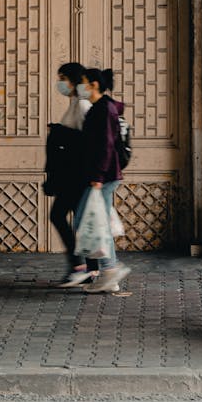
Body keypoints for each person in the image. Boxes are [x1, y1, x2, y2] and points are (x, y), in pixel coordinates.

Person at [73, 66, 131, 294]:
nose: (82, 87)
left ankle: (111, 269)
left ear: (94, 85)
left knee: (86, 222)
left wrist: (97, 176)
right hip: (102, 175)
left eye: (84, 82)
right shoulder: (100, 108)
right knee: (95, 223)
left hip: (104, 176)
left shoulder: (103, 109)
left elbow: (105, 146)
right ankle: (110, 273)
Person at [44, 62, 98, 288]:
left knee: (60, 215)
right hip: (71, 175)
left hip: (77, 176)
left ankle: (82, 266)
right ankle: (90, 268)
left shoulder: (83, 105)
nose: (60, 84)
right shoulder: (76, 104)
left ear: (73, 81)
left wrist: (59, 133)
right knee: (80, 221)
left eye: (63, 78)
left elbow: (87, 140)